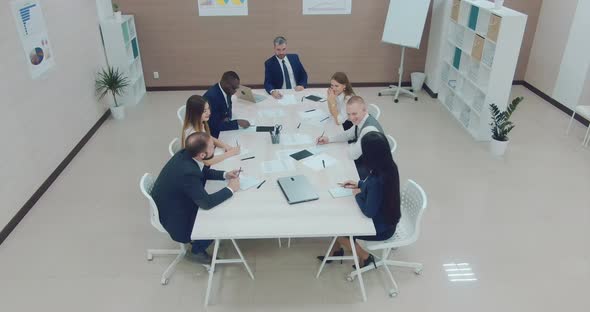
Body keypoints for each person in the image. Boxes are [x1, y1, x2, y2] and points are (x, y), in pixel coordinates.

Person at [151, 132, 241, 264]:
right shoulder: (188, 172)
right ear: (203, 155)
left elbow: (201, 171)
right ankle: (197, 251)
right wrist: (230, 189)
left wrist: (225, 175)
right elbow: (206, 203)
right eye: (212, 147)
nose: (214, 148)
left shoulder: (186, 154)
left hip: (172, 202)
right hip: (176, 219)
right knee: (218, 216)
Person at [317, 131, 401, 268]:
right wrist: (360, 184)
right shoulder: (389, 166)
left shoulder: (376, 180)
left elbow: (369, 212)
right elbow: (377, 189)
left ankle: (366, 257)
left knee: (340, 232)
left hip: (381, 227)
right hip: (389, 217)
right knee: (339, 221)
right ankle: (336, 251)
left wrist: (357, 194)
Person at [316, 96, 384, 178]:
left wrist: (336, 151)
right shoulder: (362, 119)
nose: (351, 118)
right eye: (348, 114)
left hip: (373, 169)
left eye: (354, 114)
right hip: (364, 156)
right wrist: (329, 139)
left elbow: (353, 154)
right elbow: (348, 134)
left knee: (338, 173)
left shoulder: (368, 130)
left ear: (365, 110)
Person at [181, 95, 240, 167]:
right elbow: (207, 162)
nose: (208, 113)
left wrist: (226, 146)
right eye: (204, 111)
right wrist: (230, 153)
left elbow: (209, 138)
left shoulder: (200, 123)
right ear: (195, 113)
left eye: (208, 108)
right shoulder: (194, 134)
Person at [203, 71, 251, 138]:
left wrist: (227, 117)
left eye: (236, 88)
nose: (235, 91)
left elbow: (228, 108)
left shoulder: (226, 90)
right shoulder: (212, 97)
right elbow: (214, 126)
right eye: (234, 88)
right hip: (213, 135)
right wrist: (237, 123)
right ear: (226, 84)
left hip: (223, 126)